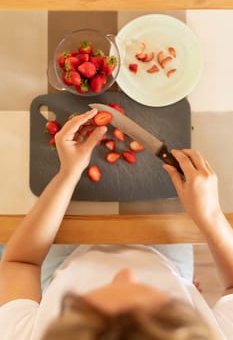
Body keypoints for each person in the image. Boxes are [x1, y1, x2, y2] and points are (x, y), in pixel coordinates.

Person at [0, 108, 232, 340]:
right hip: (167, 261)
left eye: (84, 305)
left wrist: (68, 172)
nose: (125, 273)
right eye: (166, 308)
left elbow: (20, 262)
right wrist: (210, 214)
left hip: (60, 266)